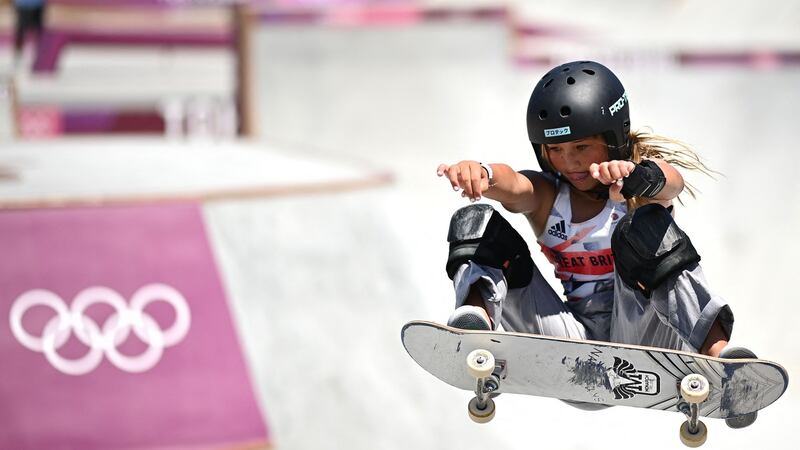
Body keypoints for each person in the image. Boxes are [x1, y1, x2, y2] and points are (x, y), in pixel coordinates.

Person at [436, 61, 755, 425]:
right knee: (473, 222)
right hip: (571, 345)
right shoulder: (547, 198)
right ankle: (476, 327)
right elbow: (514, 184)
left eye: (582, 146)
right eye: (555, 149)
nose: (568, 161)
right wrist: (485, 174)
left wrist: (640, 178)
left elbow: (672, 182)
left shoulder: (637, 190)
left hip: (642, 337)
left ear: (612, 138)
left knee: (645, 225)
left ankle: (720, 358)